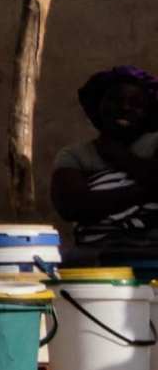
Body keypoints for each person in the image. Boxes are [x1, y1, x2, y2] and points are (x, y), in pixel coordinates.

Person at [50, 67, 158, 247]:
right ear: (98, 106)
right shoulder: (75, 154)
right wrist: (148, 190)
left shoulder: (155, 142)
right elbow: (71, 206)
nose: (124, 107)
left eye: (136, 103)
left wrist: (122, 158)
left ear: (148, 111)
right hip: (96, 255)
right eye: (115, 100)